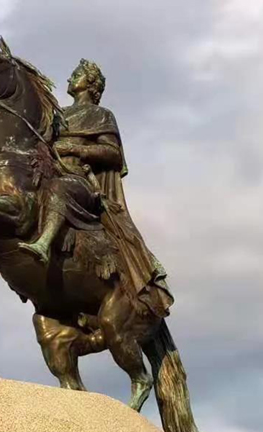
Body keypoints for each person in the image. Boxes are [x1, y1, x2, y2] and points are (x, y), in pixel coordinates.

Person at [20, 58, 173, 318]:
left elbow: (113, 154)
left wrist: (75, 148)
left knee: (60, 187)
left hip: (80, 181)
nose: (69, 78)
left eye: (76, 74)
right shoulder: (57, 115)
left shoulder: (101, 115)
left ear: (90, 84)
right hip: (47, 173)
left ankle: (43, 244)